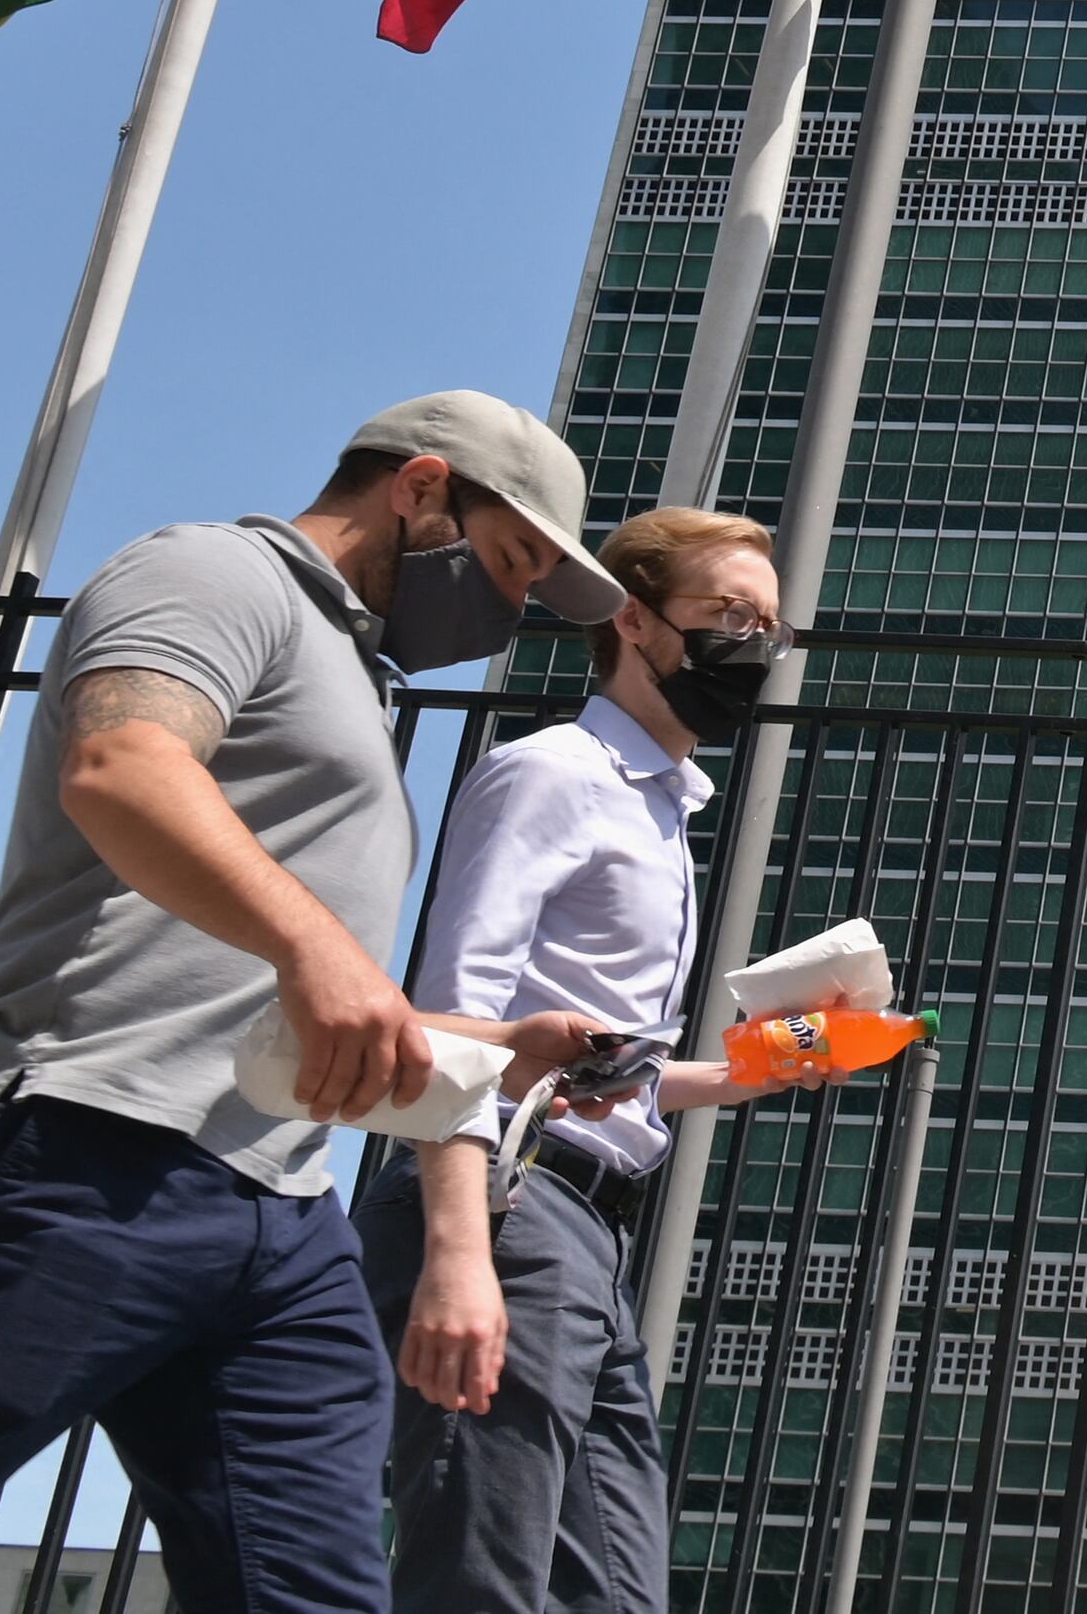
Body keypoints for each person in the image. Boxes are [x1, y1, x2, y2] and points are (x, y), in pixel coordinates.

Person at [0, 393, 623, 1614]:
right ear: (422, 488)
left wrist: (494, 1044)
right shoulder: (211, 571)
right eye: (510, 561)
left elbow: (284, 980)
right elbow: (122, 766)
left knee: (311, 1593)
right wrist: (318, 943)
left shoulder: (358, 686)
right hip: (77, 1150)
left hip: (276, 1204)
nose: (507, 610)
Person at [361, 503, 839, 1614]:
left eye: (770, 626)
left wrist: (743, 1074)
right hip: (509, 1207)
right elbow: (453, 1018)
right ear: (633, 618)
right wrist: (460, 1248)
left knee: (614, 1594)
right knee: (482, 1579)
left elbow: (577, 1064)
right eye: (728, 615)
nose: (755, 647)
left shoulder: (662, 811)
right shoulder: (555, 775)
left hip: (584, 1232)